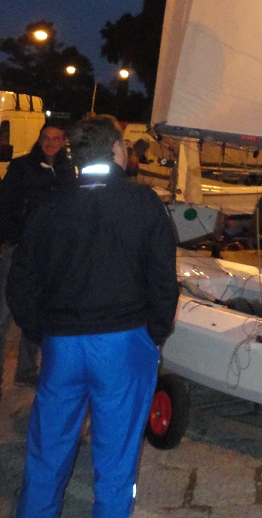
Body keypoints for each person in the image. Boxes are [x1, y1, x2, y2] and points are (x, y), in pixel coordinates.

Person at [6, 115, 179, 517]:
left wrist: (42, 334)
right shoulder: (143, 202)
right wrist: (154, 334)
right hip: (123, 342)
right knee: (116, 460)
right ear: (117, 149)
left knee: (47, 453)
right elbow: (162, 281)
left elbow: (20, 284)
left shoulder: (50, 205)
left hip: (63, 344)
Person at [0, 123, 71, 392]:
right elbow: (4, 205)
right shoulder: (21, 167)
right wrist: (15, 236)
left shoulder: (67, 171)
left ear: (63, 142)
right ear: (39, 139)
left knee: (36, 311)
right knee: (5, 310)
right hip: (20, 248)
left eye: (56, 139)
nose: (50, 143)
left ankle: (26, 370)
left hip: (49, 253)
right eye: (46, 138)